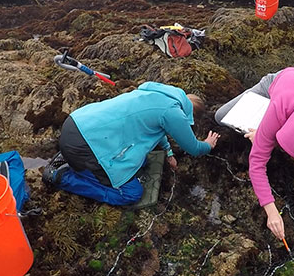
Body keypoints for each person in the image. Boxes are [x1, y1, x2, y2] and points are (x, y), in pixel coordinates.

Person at [215, 67, 294, 241]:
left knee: (266, 134)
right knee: (220, 116)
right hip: (276, 83)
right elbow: (257, 164)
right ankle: (258, 121)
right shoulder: (278, 109)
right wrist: (271, 211)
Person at [46, 81, 220, 205]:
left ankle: (69, 156)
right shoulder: (174, 114)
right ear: (189, 115)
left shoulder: (156, 92)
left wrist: (169, 153)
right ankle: (61, 176)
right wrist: (208, 144)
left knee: (142, 161)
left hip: (77, 123)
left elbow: (157, 126)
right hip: (85, 146)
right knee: (131, 194)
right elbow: (194, 148)